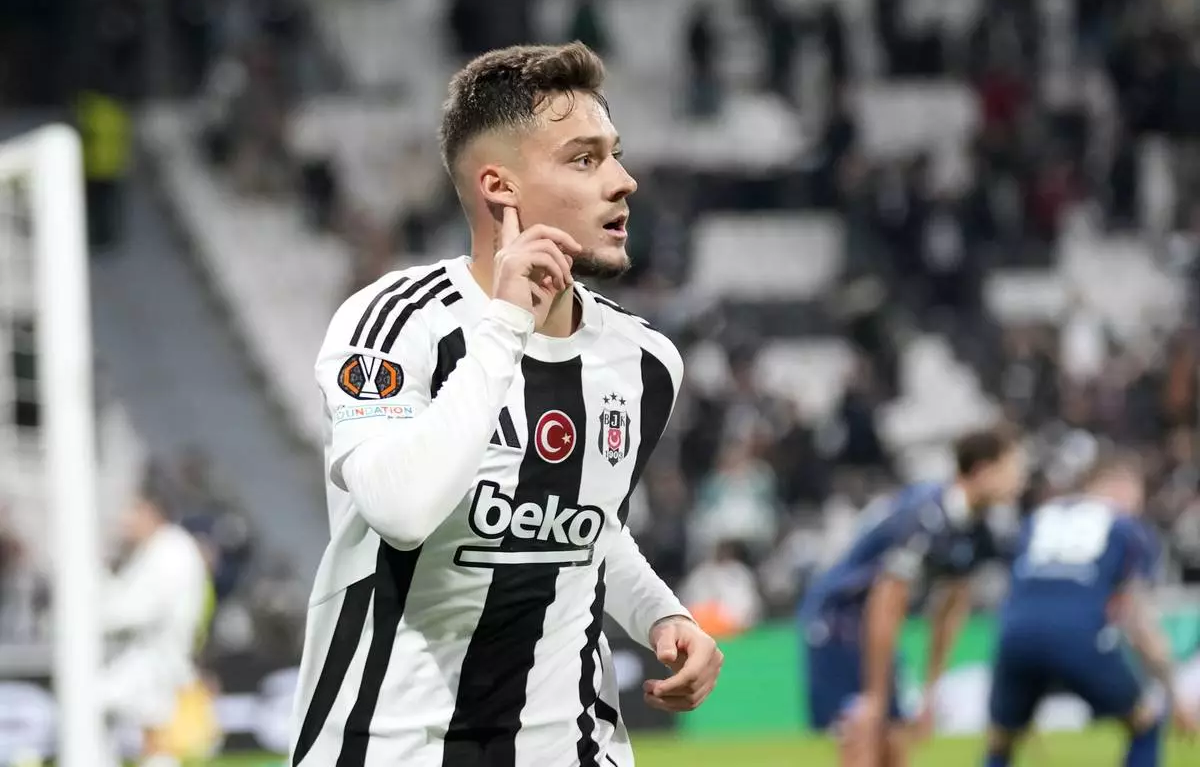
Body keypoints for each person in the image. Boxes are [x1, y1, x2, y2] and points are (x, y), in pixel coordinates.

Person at [290, 42, 723, 767]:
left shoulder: (645, 362)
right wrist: (506, 325)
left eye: (615, 156)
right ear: (500, 187)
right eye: (584, 160)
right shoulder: (397, 324)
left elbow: (588, 528)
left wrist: (660, 615)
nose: (623, 181)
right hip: (393, 750)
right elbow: (400, 510)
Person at [798, 425, 1027, 767]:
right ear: (983, 471)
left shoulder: (977, 529)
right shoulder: (923, 517)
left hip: (875, 627)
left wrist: (931, 692)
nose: (1020, 480)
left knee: (895, 745)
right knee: (864, 736)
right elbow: (884, 604)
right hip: (839, 621)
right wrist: (875, 695)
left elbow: (950, 609)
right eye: (1012, 469)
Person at [984, 457, 1198, 767]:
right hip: (1080, 636)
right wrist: (1174, 694)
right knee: (1146, 721)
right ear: (1122, 488)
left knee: (1001, 741)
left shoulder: (1038, 517)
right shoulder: (1126, 528)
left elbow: (1015, 586)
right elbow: (1137, 619)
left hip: (1015, 634)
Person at [103, 482, 218, 767]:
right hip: (154, 657)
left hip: (157, 659)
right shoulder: (163, 548)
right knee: (151, 734)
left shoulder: (170, 551)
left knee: (97, 705)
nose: (126, 520)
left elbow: (138, 609)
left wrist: (91, 613)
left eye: (133, 512)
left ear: (151, 512)